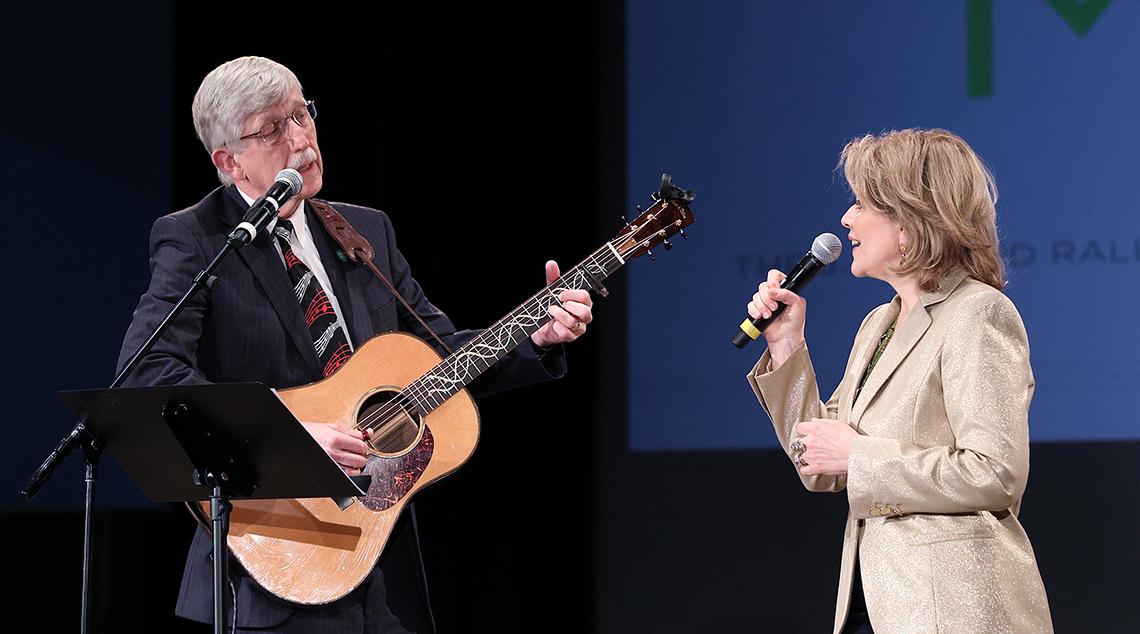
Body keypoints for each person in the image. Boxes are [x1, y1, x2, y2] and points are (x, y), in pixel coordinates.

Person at [116, 56, 593, 633]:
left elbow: (440, 355)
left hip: (381, 564)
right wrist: (289, 436)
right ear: (229, 161)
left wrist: (534, 336)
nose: (301, 141)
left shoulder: (365, 229)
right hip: (274, 563)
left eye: (302, 115)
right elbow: (148, 374)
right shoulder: (196, 239)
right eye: (272, 130)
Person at [746, 129, 1053, 633]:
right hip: (877, 606)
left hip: (954, 611)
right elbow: (819, 465)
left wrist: (859, 455)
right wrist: (786, 346)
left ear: (910, 220)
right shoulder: (878, 325)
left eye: (862, 204)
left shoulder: (978, 313)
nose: (846, 219)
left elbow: (996, 472)